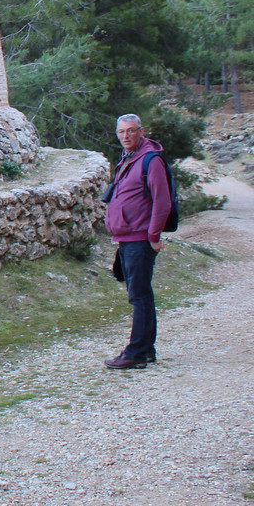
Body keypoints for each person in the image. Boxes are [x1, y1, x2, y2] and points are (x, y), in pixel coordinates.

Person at [103, 113, 172, 370]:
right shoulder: (129, 157)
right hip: (128, 238)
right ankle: (147, 349)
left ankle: (136, 352)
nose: (126, 136)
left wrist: (153, 236)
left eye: (131, 131)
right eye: (121, 132)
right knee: (141, 294)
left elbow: (162, 202)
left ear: (141, 132)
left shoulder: (150, 161)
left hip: (140, 239)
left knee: (139, 296)